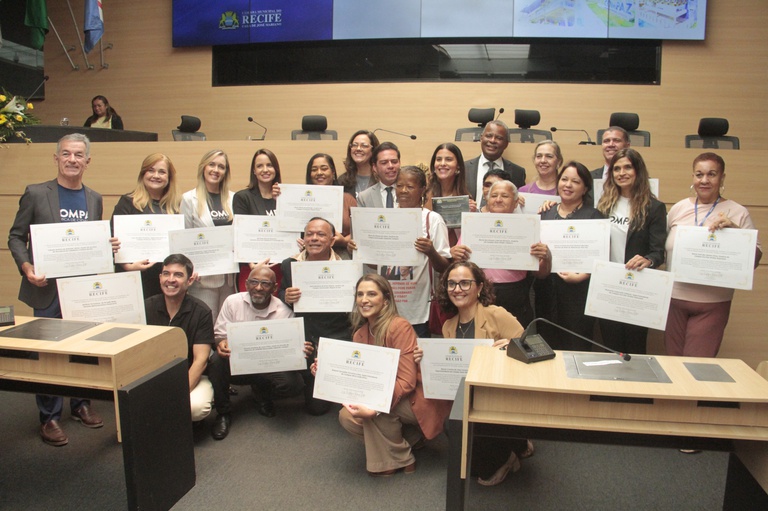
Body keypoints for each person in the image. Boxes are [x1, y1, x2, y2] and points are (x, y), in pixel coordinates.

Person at [7, 133, 118, 446]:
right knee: (47, 352)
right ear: (56, 158)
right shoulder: (36, 193)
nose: (72, 159)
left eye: (78, 155)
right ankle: (49, 417)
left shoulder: (94, 198)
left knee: (83, 348)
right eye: (66, 154)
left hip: (81, 288)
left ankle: (80, 403)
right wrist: (27, 267)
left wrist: (107, 245)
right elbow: (15, 237)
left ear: (87, 161)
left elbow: (90, 242)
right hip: (46, 289)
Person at [327, 274, 450, 476]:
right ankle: (410, 441)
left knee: (374, 410)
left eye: (371, 294)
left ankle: (401, 460)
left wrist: (374, 408)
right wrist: (326, 372)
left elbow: (407, 382)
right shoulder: (360, 334)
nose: (364, 300)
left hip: (415, 397)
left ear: (385, 300)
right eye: (360, 294)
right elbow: (359, 378)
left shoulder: (398, 327)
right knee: (347, 416)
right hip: (389, 395)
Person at [430, 261, 531, 486]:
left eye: (465, 283)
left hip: (501, 393)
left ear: (479, 287)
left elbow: (533, 344)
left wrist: (511, 347)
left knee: (476, 447)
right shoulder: (448, 327)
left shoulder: (495, 314)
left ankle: (507, 456)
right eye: (452, 284)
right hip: (472, 395)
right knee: (455, 429)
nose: (457, 289)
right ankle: (511, 448)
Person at [665, 152, 762, 357]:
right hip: (674, 301)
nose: (704, 180)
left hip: (713, 304)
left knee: (696, 366)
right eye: (699, 174)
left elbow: (754, 259)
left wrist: (736, 232)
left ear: (722, 178)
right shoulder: (679, 209)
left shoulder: (738, 212)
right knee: (672, 365)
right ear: (693, 177)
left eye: (711, 174)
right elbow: (661, 247)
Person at [208, 265, 313, 440]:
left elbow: (291, 348)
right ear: (246, 284)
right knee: (216, 361)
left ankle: (262, 394)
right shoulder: (232, 302)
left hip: (269, 365)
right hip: (239, 364)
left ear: (274, 287)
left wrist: (301, 349)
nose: (258, 287)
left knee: (292, 384)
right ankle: (223, 412)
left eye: (265, 284)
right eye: (254, 282)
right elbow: (219, 335)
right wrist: (221, 343)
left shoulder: (285, 312)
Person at [355, 166, 451, 337]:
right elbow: (377, 265)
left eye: (410, 186)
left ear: (422, 189)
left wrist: (431, 252)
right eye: (399, 186)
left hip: (418, 309)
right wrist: (360, 250)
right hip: (385, 307)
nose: (403, 191)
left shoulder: (432, 220)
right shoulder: (383, 219)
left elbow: (445, 267)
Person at [451, 180, 551, 327]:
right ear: (487, 200)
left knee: (514, 338)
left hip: (515, 296)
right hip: (480, 293)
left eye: (504, 196)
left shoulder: (528, 227)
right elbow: (459, 264)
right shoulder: (473, 224)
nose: (498, 200)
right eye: (494, 195)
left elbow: (541, 274)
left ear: (516, 203)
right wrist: (454, 254)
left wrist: (547, 258)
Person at [596, 148, 666, 355]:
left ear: (638, 171)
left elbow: (658, 252)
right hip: (608, 284)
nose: (621, 173)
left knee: (635, 347)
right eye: (616, 169)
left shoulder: (654, 207)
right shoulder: (604, 205)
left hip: (636, 286)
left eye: (627, 167)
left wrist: (648, 260)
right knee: (610, 346)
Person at [279, 217, 352, 415]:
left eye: (321, 234)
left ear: (332, 240)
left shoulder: (347, 267)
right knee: (316, 409)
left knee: (345, 395)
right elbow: (281, 291)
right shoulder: (289, 264)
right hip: (306, 336)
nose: (314, 238)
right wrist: (285, 296)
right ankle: (309, 378)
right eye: (309, 234)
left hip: (336, 334)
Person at [538, 161, 605, 350]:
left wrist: (582, 276)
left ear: (585, 188)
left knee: (576, 346)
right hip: (547, 292)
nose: (568, 185)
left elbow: (601, 258)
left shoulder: (594, 216)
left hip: (578, 293)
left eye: (575, 181)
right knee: (547, 345)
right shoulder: (546, 213)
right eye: (564, 179)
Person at [144, 254, 214, 423]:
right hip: (154, 375)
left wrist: (177, 395)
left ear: (190, 281)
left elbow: (200, 361)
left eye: (178, 275)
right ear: (160, 278)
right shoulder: (146, 307)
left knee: (195, 408)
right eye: (166, 274)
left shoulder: (201, 312)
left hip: (190, 375)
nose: (171, 279)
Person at [111, 153, 182, 299]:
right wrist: (128, 267)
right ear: (143, 174)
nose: (156, 176)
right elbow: (113, 241)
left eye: (162, 172)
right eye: (151, 170)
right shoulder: (128, 202)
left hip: (165, 280)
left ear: (169, 177)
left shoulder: (174, 207)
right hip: (133, 277)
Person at [181, 149, 236, 320]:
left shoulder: (234, 198)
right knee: (206, 324)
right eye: (212, 164)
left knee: (227, 326)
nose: (216, 170)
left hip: (229, 278)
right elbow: (184, 239)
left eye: (221, 167)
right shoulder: (189, 199)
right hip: (203, 279)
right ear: (203, 167)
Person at [232, 148, 282, 290]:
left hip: (279, 267)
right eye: (260, 166)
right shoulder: (243, 197)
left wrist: (280, 201)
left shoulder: (284, 196)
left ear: (276, 169)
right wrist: (252, 265)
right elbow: (240, 235)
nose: (265, 170)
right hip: (252, 269)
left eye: (269, 165)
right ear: (254, 171)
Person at [464, 120, 526, 209]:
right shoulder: (464, 168)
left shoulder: (518, 172)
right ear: (481, 138)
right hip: (470, 216)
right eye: (489, 136)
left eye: (499, 138)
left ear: (506, 144)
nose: (492, 140)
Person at [305, 153, 357, 256]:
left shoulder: (347, 199)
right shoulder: (301, 200)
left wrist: (344, 241)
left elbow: (359, 230)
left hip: (343, 255)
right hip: (309, 255)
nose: (319, 173)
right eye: (314, 170)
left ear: (333, 172)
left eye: (324, 169)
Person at [586, 126, 630, 207]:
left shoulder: (639, 179)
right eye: (606, 141)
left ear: (627, 146)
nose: (611, 144)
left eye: (616, 140)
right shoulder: (587, 178)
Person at [337, 130, 380, 198]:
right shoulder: (342, 181)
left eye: (364, 146)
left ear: (373, 150)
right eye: (354, 145)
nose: (358, 149)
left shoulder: (381, 179)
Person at [357, 142, 400, 208]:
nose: (390, 166)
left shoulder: (411, 191)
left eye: (394, 162)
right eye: (384, 163)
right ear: (375, 167)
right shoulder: (364, 197)